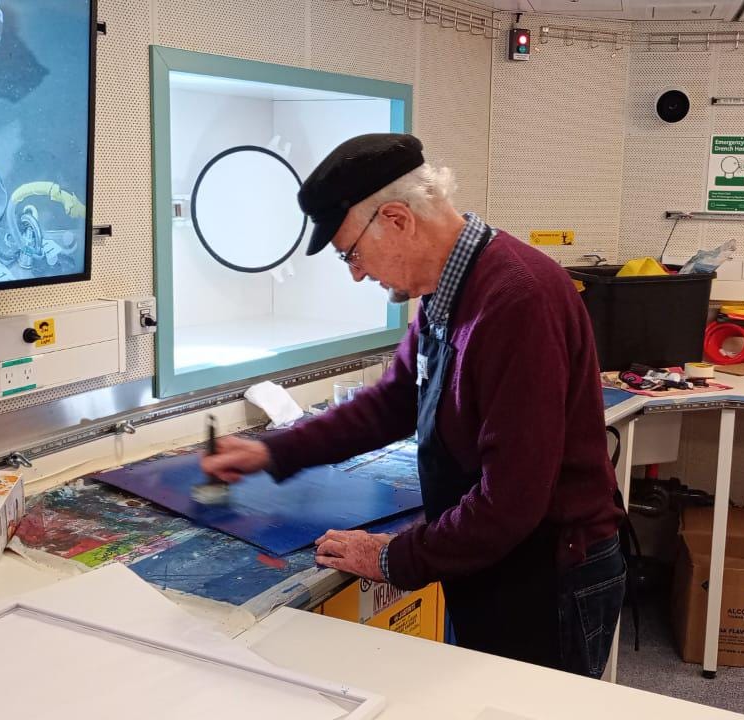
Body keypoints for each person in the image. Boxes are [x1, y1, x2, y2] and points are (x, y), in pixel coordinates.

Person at [201, 133, 625, 678]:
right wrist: (272, 453)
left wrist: (391, 558)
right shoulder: (447, 291)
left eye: (351, 253)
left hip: (548, 574)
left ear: (397, 220)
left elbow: (512, 501)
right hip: (497, 561)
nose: (355, 272)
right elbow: (395, 400)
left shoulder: (516, 300)